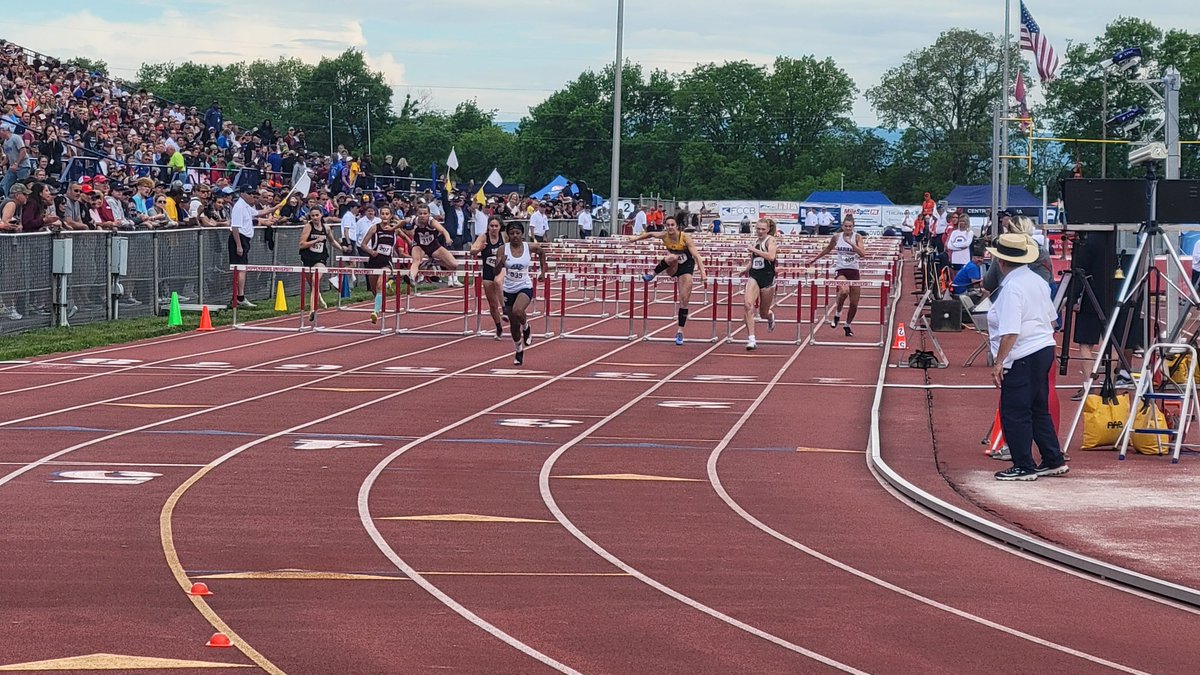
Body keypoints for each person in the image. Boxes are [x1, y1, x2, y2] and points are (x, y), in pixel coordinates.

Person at [986, 233, 1069, 481]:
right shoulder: (1036, 281)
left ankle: (1023, 464)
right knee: (1038, 408)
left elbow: (1011, 330)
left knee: (1015, 410)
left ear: (1001, 262)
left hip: (1023, 353)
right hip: (1043, 347)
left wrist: (999, 362)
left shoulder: (1012, 288)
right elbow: (1053, 318)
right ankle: (1052, 458)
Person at [633, 216, 705, 345]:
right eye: (668, 225)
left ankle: (680, 332)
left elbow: (697, 256)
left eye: (672, 225)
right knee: (671, 257)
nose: (670, 227)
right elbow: (649, 234)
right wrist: (635, 239)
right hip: (672, 266)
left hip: (686, 268)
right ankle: (652, 275)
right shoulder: (664, 235)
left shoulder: (685, 237)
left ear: (677, 226)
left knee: (684, 300)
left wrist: (703, 274)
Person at [494, 221, 548, 366]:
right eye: (512, 234)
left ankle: (527, 327)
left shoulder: (529, 247)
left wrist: (543, 272)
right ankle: (518, 350)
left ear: (522, 234)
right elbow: (495, 271)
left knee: (518, 311)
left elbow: (542, 253)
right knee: (513, 325)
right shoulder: (502, 249)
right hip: (509, 288)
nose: (515, 236)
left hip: (524, 286)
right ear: (508, 235)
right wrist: (501, 262)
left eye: (517, 233)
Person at [809, 214, 868, 337]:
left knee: (854, 303)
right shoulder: (836, 237)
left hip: (854, 271)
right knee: (844, 290)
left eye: (850, 226)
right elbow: (827, 249)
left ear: (853, 227)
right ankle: (838, 313)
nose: (847, 229)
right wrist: (814, 259)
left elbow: (862, 254)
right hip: (840, 270)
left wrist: (851, 243)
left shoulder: (857, 237)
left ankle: (847, 325)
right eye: (845, 226)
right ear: (842, 226)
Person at [298, 207, 344, 321]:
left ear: (321, 215)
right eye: (312, 216)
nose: (314, 218)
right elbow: (301, 244)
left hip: (320, 259)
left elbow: (332, 241)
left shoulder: (326, 228)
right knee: (312, 285)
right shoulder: (308, 227)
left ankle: (312, 310)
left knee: (315, 280)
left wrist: (342, 249)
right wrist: (315, 241)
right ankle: (319, 300)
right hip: (308, 258)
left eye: (316, 215)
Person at [742, 218, 778, 350]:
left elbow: (771, 257)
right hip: (754, 275)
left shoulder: (771, 240)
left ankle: (770, 316)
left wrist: (754, 250)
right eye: (758, 229)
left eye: (763, 229)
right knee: (748, 305)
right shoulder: (755, 241)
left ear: (768, 230)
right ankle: (751, 339)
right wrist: (745, 269)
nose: (760, 231)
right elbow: (753, 260)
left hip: (767, 277)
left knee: (763, 313)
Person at [360, 207, 400, 323]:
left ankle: (375, 313)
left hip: (386, 263)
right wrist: (371, 251)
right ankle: (385, 289)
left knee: (379, 286)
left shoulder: (395, 229)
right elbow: (363, 244)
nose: (384, 216)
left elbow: (408, 237)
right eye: (382, 214)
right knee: (374, 289)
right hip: (374, 261)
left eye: (387, 214)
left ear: (391, 215)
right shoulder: (374, 228)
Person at [470, 216, 506, 339]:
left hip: (502, 269)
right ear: (488, 227)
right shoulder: (483, 237)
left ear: (500, 227)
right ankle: (498, 327)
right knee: (492, 304)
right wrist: (480, 248)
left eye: (496, 226)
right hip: (488, 271)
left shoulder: (504, 237)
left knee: (498, 281)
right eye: (492, 226)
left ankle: (505, 310)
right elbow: (472, 251)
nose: (494, 228)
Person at [406, 206, 458, 288]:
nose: (422, 215)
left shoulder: (432, 222)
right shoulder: (413, 220)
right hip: (419, 245)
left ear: (429, 214)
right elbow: (402, 223)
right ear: (417, 214)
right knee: (416, 261)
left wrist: (448, 239)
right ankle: (411, 278)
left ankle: (432, 262)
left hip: (433, 245)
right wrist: (393, 228)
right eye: (420, 214)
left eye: (425, 213)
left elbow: (443, 231)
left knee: (454, 265)